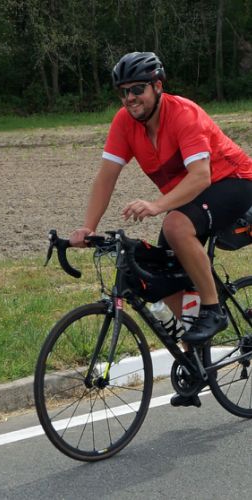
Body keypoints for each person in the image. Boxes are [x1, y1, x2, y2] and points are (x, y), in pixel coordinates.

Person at [70, 51, 252, 407]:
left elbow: (201, 176)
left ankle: (213, 308)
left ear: (157, 86)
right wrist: (87, 227)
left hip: (232, 181)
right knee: (163, 275)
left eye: (137, 89)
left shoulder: (184, 115)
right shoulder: (125, 123)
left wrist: (156, 205)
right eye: (123, 92)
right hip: (191, 195)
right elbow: (106, 176)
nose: (130, 98)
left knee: (175, 224)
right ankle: (197, 362)